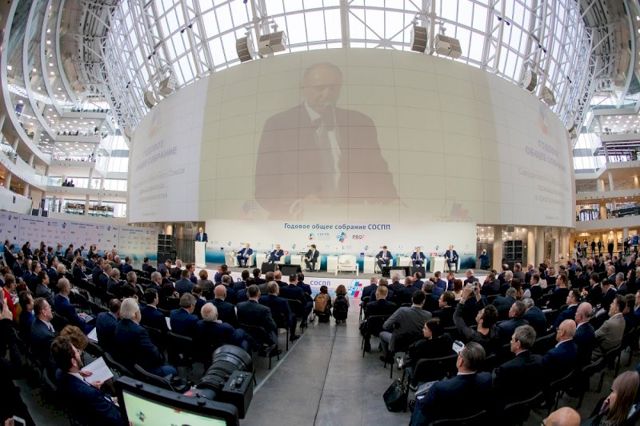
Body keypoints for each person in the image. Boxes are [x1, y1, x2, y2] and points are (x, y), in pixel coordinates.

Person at [255, 62, 397, 219]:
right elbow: (264, 189)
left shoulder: (361, 123)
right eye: (320, 88)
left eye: (333, 88)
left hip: (351, 220)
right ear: (303, 88)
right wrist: (296, 205)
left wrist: (393, 205)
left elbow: (379, 174)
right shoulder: (278, 125)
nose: (328, 94)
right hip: (298, 222)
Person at [410, 342, 492, 426]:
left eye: (459, 354)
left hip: (443, 419)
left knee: (419, 404)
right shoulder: (487, 378)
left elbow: (424, 408)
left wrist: (421, 400)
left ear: (460, 361)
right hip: (469, 416)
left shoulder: (439, 387)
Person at [50, 336, 125, 426]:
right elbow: (117, 419)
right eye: (77, 351)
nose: (79, 352)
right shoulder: (90, 394)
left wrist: (79, 373)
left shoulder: (59, 373)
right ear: (73, 362)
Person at [113, 298, 176, 377]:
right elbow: (154, 355)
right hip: (143, 369)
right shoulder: (139, 331)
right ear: (135, 314)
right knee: (172, 370)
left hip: (127, 363)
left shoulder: (118, 325)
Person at [493, 325, 544, 409]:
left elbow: (497, 391)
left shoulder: (506, 368)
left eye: (512, 339)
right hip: (528, 399)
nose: (510, 342)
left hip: (509, 406)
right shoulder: (540, 359)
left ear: (518, 344)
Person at [379, 291, 431, 361]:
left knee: (382, 334)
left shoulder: (401, 310)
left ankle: (388, 357)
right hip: (417, 344)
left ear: (412, 299)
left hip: (398, 343)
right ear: (423, 301)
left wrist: (394, 326)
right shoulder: (428, 315)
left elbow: (385, 326)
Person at [404, 318, 454, 384]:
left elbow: (412, 358)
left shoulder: (421, 345)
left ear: (431, 332)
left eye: (425, 328)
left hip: (423, 375)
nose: (423, 330)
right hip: (440, 373)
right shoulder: (448, 339)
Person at [592, 295, 626, 362]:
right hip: (610, 354)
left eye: (613, 303)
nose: (610, 305)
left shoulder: (608, 323)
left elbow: (593, 337)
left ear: (617, 308)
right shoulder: (623, 320)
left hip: (597, 354)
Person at [31, 297, 56, 370]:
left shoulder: (36, 321)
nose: (51, 308)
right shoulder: (46, 336)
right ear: (43, 312)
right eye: (49, 306)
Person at [574, 302, 596, 366]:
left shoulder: (577, 335)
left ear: (580, 316)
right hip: (586, 362)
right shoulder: (592, 328)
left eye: (577, 312)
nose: (575, 313)